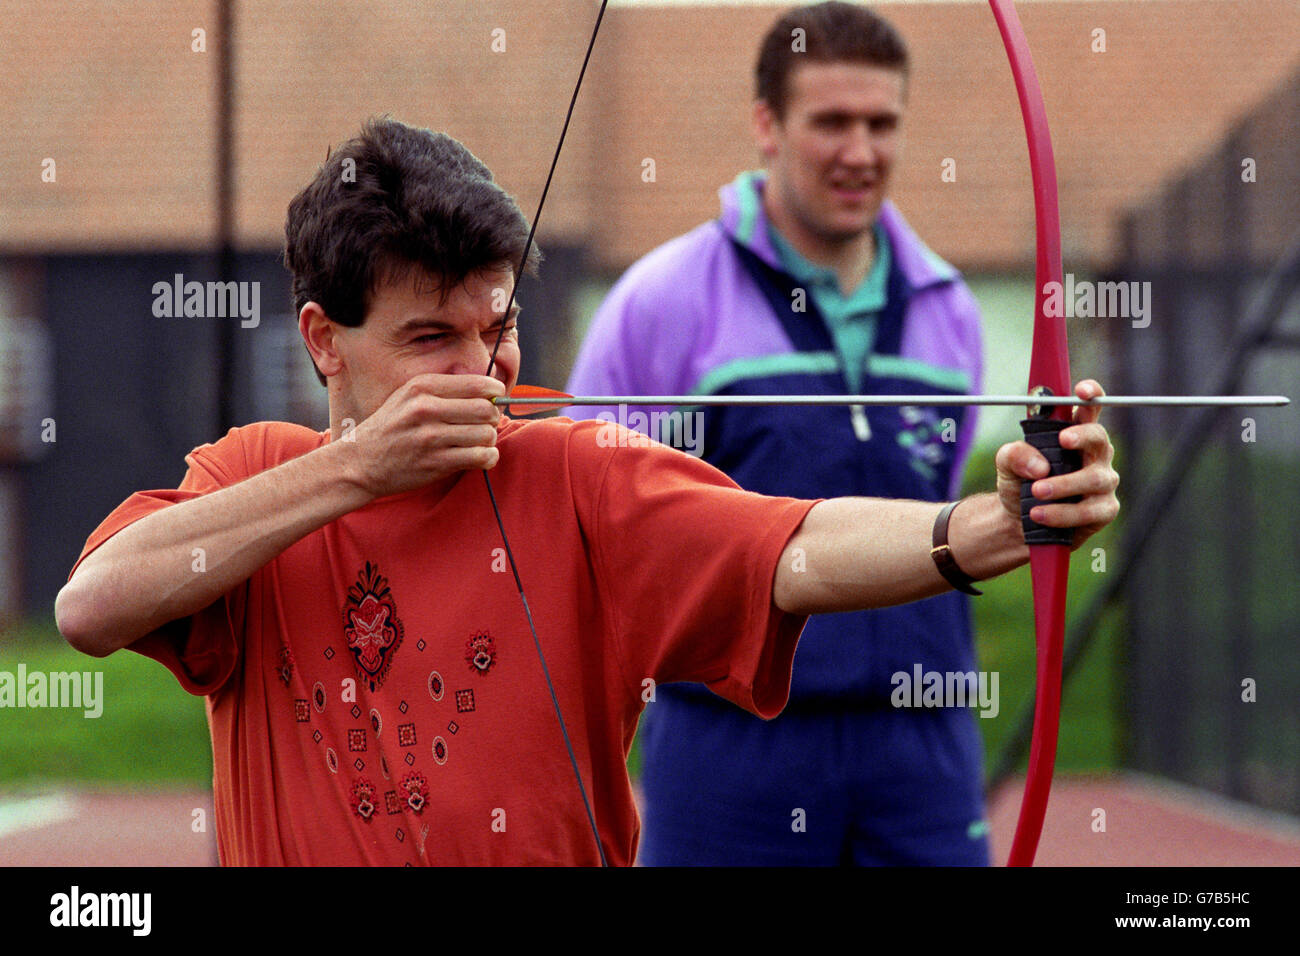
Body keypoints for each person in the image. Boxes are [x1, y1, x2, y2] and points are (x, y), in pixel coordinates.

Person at [56, 117, 1119, 867]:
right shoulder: (254, 475)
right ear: (324, 340)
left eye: (498, 328)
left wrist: (984, 525)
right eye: (431, 338)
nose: (483, 370)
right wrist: (353, 469)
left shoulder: (574, 472)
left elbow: (790, 545)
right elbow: (89, 607)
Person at [565, 2, 1009, 864]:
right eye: (832, 122)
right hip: (728, 747)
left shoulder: (949, 308)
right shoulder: (662, 303)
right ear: (767, 126)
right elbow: (595, 522)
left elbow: (942, 496)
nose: (861, 151)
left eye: (883, 123)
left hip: (922, 745)